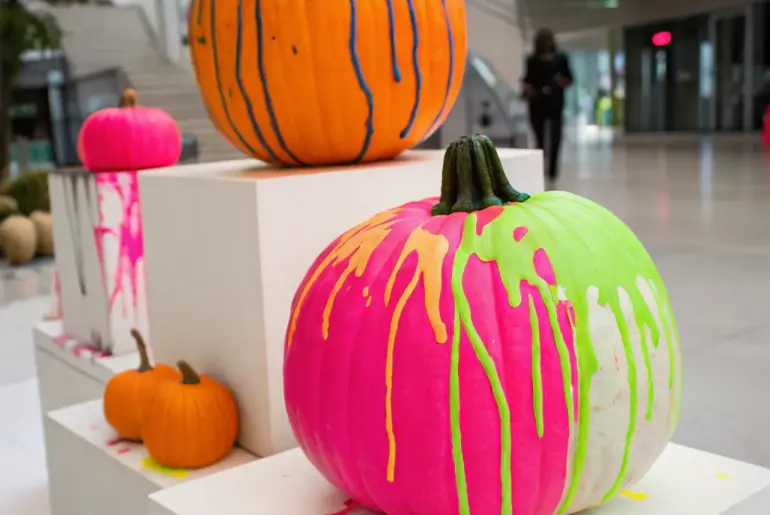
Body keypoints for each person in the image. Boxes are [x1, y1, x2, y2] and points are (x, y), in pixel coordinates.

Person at [521, 28, 574, 185]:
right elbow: (528, 80)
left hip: (555, 102)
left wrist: (559, 82)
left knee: (555, 137)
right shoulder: (532, 60)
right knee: (539, 138)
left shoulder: (561, 58)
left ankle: (552, 170)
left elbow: (570, 78)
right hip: (537, 102)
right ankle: (542, 167)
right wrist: (528, 89)